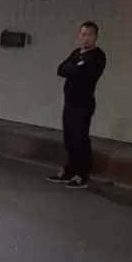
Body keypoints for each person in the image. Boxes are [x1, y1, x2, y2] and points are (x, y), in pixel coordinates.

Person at [49, 21, 107, 189]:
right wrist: (75, 67)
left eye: (89, 34)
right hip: (70, 102)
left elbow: (81, 72)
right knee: (69, 138)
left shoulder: (97, 55)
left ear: (95, 36)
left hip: (84, 103)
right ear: (78, 36)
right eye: (83, 34)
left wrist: (74, 68)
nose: (85, 38)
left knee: (80, 138)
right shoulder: (76, 52)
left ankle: (81, 174)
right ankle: (69, 170)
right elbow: (61, 69)